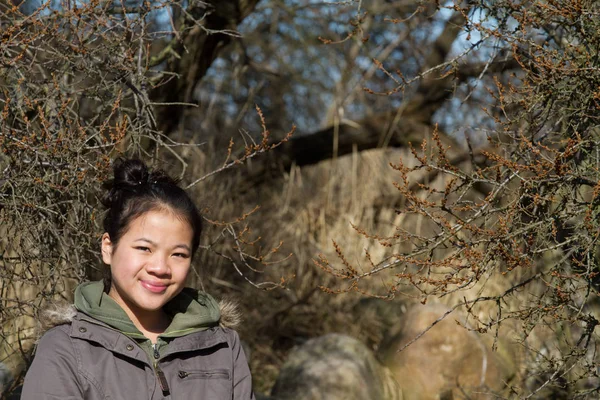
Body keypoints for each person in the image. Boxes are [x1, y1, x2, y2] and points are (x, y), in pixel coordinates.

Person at [21, 158, 255, 399]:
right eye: (144, 248)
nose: (160, 267)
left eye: (178, 254)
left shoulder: (222, 346)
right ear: (108, 248)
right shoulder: (66, 347)